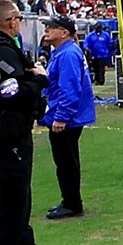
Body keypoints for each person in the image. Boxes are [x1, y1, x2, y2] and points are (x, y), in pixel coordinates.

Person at [0, 0, 62, 245]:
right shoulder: (3, 51)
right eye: (18, 20)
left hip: (15, 133)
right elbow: (8, 93)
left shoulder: (10, 49)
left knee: (21, 199)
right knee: (10, 202)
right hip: (7, 135)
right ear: (11, 21)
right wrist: (38, 80)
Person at [39, 16, 94, 221]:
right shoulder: (64, 52)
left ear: (64, 32)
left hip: (67, 117)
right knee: (66, 160)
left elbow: (69, 88)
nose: (47, 30)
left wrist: (61, 116)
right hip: (69, 115)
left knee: (65, 161)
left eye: (51, 27)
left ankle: (72, 203)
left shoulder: (68, 54)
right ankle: (70, 200)